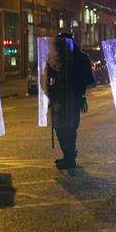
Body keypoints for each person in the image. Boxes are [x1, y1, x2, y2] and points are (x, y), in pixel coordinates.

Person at [43, 32, 95, 169]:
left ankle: (70, 157)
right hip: (58, 98)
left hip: (73, 98)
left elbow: (87, 79)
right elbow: (49, 78)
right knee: (59, 127)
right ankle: (68, 154)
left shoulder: (80, 58)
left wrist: (77, 89)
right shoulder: (55, 59)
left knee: (70, 128)